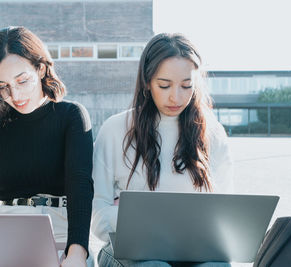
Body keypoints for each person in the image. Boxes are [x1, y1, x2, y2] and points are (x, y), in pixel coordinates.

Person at [91, 33, 234, 267]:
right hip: (129, 252)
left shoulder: (212, 132)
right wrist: (142, 221)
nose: (175, 97)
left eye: (186, 86)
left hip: (194, 252)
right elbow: (97, 214)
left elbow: (226, 212)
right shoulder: (116, 130)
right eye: (164, 85)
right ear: (147, 81)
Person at [0, 26, 93, 267]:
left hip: (61, 231)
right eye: (3, 87)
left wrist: (76, 253)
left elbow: (80, 189)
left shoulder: (71, 116)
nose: (16, 95)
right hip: (4, 232)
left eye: (22, 81)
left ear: (40, 68)